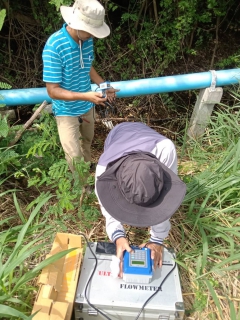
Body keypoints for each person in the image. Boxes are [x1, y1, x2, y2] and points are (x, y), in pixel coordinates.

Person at [95, 122, 186, 277]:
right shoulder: (104, 171)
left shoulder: (165, 150)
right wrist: (118, 236)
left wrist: (157, 240)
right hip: (118, 134)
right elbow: (108, 206)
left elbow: (165, 201)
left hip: (147, 136)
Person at [42, 0, 119, 171]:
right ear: (76, 24)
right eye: (90, 31)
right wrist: (86, 95)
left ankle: (88, 168)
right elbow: (52, 91)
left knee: (87, 141)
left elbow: (87, 66)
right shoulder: (54, 46)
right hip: (66, 110)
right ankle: (82, 187)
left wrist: (104, 85)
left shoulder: (86, 40)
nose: (93, 36)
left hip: (86, 105)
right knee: (74, 155)